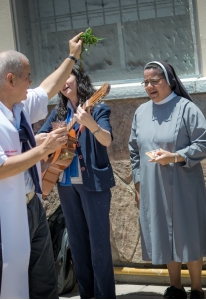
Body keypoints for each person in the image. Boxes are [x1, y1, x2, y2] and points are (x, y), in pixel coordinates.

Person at [0, 34, 83, 298]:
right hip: (6, 213)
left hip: (32, 206)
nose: (31, 82)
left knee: (44, 281)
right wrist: (42, 150)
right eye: (27, 76)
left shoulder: (18, 105)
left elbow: (49, 86)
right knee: (12, 283)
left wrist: (71, 57)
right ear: (10, 79)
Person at [129, 61, 206, 299]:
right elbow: (134, 151)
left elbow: (204, 143)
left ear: (169, 81)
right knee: (163, 235)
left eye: (154, 81)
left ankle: (197, 288)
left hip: (184, 184)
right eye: (145, 82)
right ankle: (176, 287)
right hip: (153, 186)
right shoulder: (141, 112)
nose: (149, 86)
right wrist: (138, 187)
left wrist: (176, 157)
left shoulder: (186, 108)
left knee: (189, 234)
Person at [38, 65, 116, 299]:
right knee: (78, 244)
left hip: (94, 184)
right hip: (65, 184)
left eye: (67, 76)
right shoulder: (58, 113)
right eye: (60, 79)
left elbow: (107, 140)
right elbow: (40, 139)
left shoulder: (99, 106)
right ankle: (86, 294)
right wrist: (51, 138)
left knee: (99, 245)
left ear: (79, 78)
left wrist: (91, 124)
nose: (64, 83)